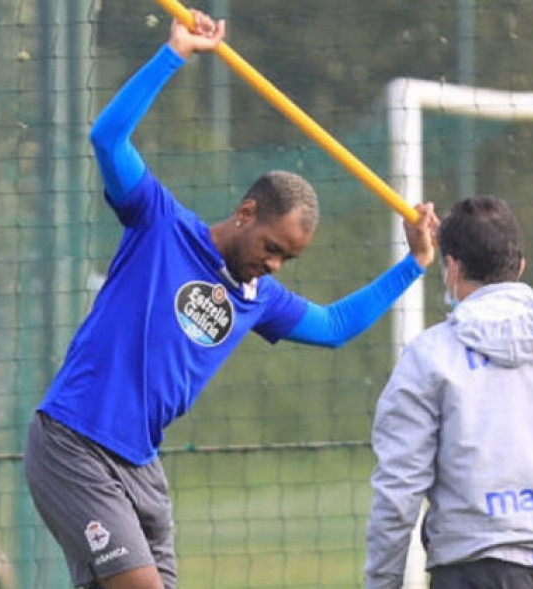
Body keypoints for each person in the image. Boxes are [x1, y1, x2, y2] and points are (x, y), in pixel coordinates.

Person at [22, 10, 439, 589]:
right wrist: (173, 54)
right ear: (246, 213)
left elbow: (336, 325)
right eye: (271, 247)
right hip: (75, 444)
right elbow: (107, 137)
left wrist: (414, 264)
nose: (272, 265)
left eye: (286, 260)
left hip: (141, 467)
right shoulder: (159, 224)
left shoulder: (259, 298)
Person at [364, 196, 533, 589]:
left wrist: (382, 583)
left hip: (470, 572)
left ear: (453, 267)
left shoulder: (429, 356)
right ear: (521, 267)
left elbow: (398, 490)